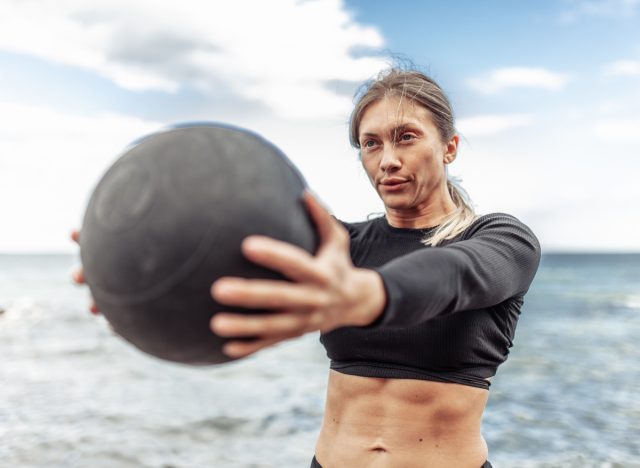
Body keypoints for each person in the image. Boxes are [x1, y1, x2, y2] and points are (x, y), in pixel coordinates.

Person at [73, 68, 540, 467]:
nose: (388, 161)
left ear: (449, 147)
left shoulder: (500, 239)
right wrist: (131, 275)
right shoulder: (340, 245)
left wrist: (367, 293)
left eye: (406, 137)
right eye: (370, 144)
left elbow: (455, 274)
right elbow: (226, 246)